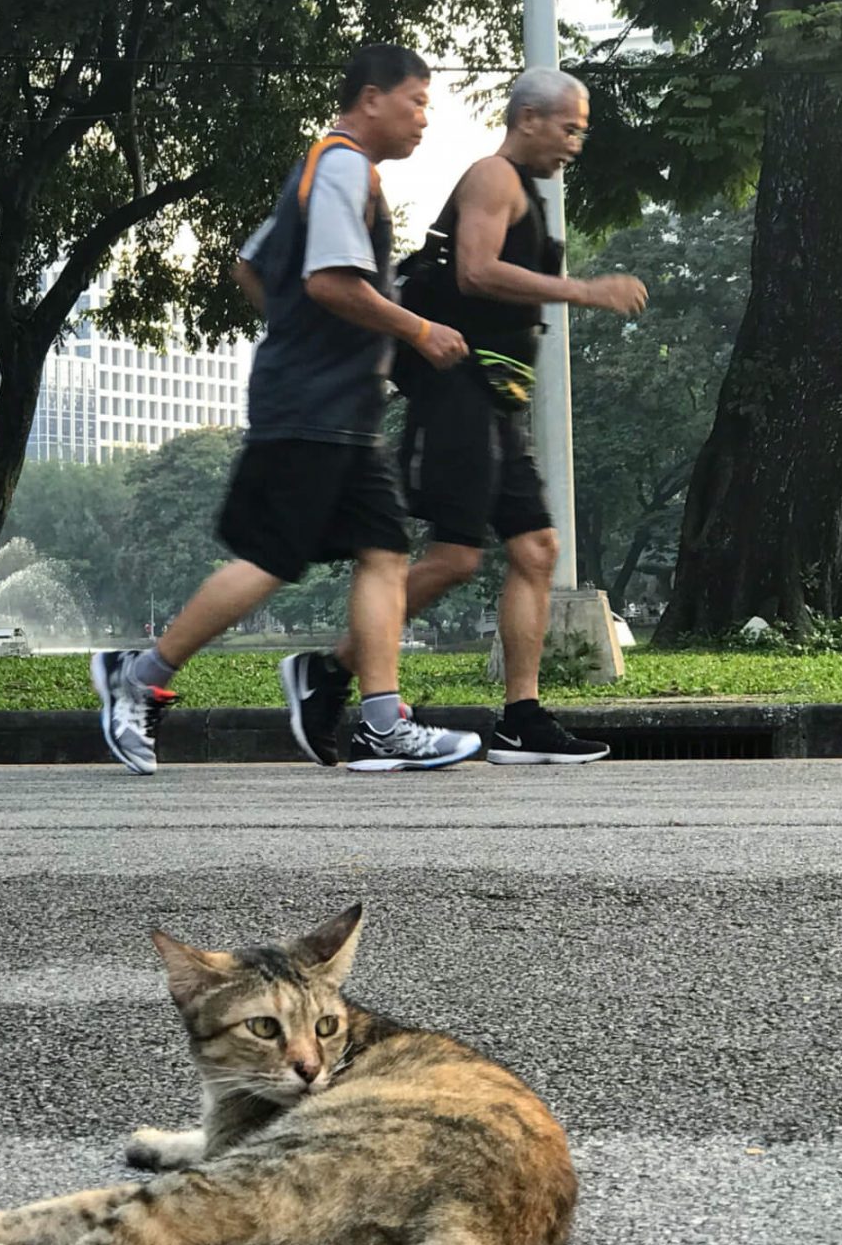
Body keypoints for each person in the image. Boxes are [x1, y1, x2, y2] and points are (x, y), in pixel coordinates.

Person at [91, 44, 480, 776]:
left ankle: (381, 721)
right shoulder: (340, 166)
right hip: (309, 406)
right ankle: (137, 678)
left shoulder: (322, 167)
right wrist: (415, 330)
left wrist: (301, 332)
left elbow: (251, 264)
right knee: (271, 559)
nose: (425, 119)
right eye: (418, 101)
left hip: (338, 406)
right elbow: (332, 282)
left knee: (385, 552)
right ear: (371, 99)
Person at [280, 69, 648, 768]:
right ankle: (328, 673)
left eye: (581, 131)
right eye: (569, 127)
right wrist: (585, 291)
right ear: (530, 118)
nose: (575, 142)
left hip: (496, 403)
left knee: (536, 548)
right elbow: (476, 272)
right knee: (454, 557)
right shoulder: (493, 176)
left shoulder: (527, 194)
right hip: (458, 390)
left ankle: (521, 718)